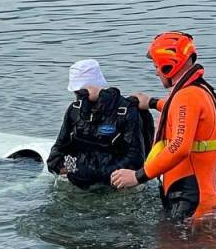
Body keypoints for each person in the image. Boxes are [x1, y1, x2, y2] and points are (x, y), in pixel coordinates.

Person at [110, 32, 216, 219]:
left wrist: (137, 176)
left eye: (156, 65)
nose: (156, 71)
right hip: (201, 197)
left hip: (190, 201)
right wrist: (152, 102)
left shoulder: (186, 97)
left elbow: (179, 147)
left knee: (171, 247)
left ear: (169, 65)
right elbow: (182, 113)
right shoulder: (201, 90)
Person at [46, 59, 148, 190]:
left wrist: (98, 174)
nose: (78, 98)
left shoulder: (126, 112)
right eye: (76, 93)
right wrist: (72, 169)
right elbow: (58, 151)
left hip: (115, 184)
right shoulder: (75, 110)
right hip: (80, 181)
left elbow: (135, 159)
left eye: (80, 92)